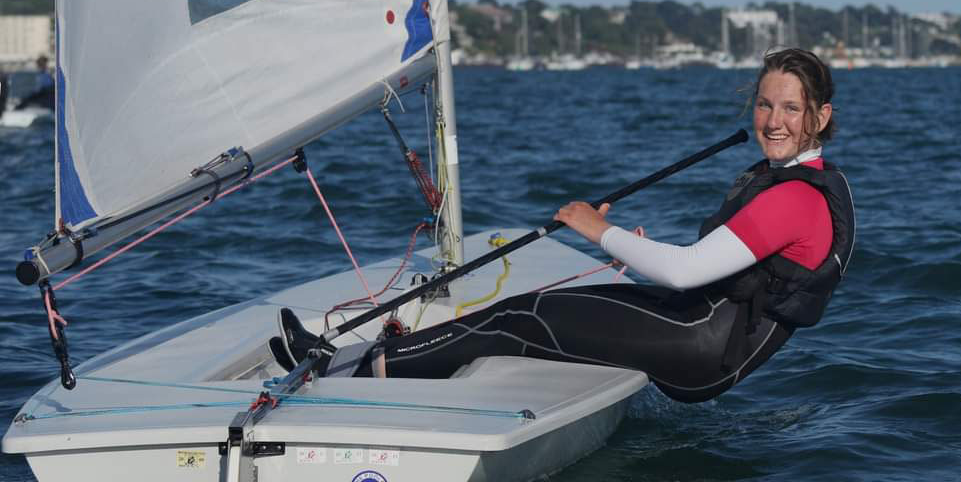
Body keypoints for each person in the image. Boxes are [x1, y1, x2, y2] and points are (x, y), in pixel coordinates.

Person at [273, 47, 855, 403]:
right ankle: (383, 362)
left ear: (820, 117)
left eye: (791, 108)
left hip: (703, 345)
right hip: (705, 333)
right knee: (532, 313)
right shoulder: (804, 185)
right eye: (764, 104)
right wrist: (629, 252)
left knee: (517, 316)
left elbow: (686, 273)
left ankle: (339, 368)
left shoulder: (794, 199)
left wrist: (594, 229)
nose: (772, 121)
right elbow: (719, 269)